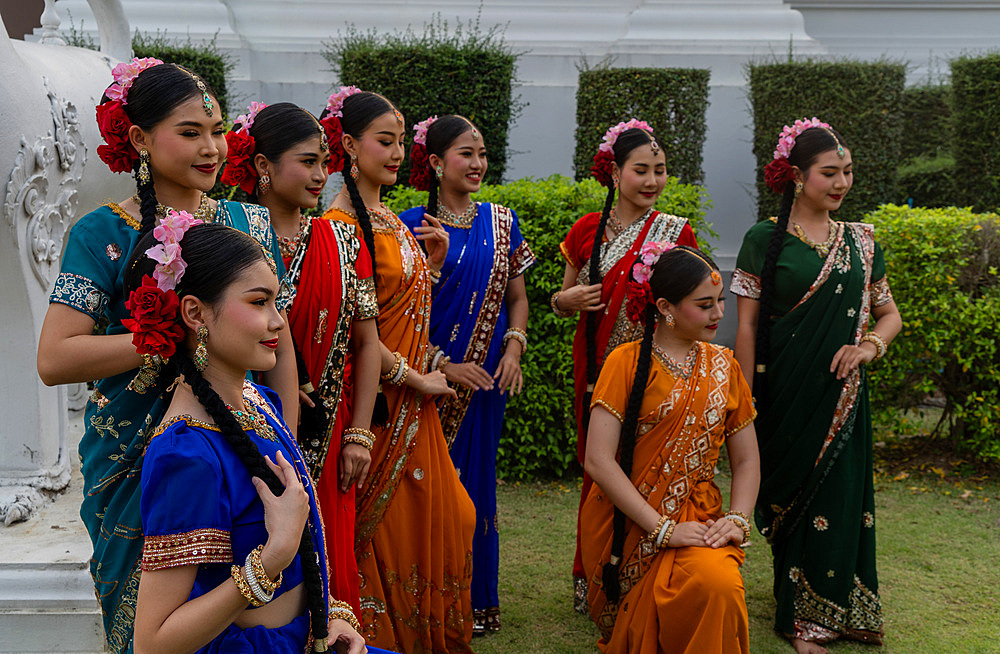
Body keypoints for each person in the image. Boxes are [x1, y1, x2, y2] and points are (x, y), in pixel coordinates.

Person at [36, 60, 295, 653]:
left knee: (259, 620)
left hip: (241, 442)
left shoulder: (246, 223)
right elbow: (54, 357)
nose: (211, 148)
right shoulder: (103, 233)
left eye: (217, 129)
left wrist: (287, 448)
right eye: (190, 131)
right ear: (139, 139)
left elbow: (279, 348)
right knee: (156, 628)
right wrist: (161, 338)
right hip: (139, 460)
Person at [117, 219, 378, 653]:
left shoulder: (258, 402)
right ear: (195, 313)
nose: (278, 322)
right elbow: (152, 643)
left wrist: (331, 615)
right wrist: (271, 560)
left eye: (276, 302)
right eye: (259, 302)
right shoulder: (185, 453)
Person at [732, 119, 902, 653]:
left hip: (844, 397)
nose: (841, 182)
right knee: (791, 497)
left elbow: (889, 314)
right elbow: (747, 327)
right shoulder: (766, 238)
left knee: (841, 494)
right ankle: (800, 611)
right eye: (829, 172)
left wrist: (867, 346)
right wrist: (740, 398)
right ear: (797, 176)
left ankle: (835, 605)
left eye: (847, 172)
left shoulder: (862, 241)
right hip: (783, 392)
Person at [319, 88, 476, 653]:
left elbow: (394, 308)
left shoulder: (387, 215)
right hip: (376, 410)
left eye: (400, 142)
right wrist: (417, 377)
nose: (396, 153)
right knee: (389, 533)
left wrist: (429, 271)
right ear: (349, 146)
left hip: (412, 408)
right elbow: (355, 333)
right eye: (383, 142)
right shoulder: (339, 225)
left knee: (454, 516)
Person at [221, 101, 381, 615]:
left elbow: (367, 342)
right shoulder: (230, 238)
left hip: (326, 438)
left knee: (328, 570)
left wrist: (359, 433)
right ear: (263, 167)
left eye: (324, 161)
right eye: (307, 161)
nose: (320, 174)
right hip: (238, 428)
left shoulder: (341, 238)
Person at [581, 242, 759, 654]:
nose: (719, 314)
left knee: (720, 586)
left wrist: (737, 519)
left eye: (720, 302)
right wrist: (663, 529)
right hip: (628, 525)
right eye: (705, 304)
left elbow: (747, 458)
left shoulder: (724, 365)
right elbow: (598, 459)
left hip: (699, 519)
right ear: (664, 306)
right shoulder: (625, 363)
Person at [398, 114, 535, 635]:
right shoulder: (411, 225)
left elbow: (518, 298)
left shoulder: (503, 221)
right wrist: (443, 365)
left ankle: (477, 603)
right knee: (430, 490)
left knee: (477, 488)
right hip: (431, 385)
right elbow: (400, 317)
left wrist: (514, 350)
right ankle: (431, 599)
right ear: (435, 163)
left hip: (486, 386)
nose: (477, 163)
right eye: (465, 153)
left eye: (481, 154)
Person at [556, 120, 699, 609]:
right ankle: (591, 573)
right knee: (599, 467)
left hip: (655, 364)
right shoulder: (585, 231)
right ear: (615, 172)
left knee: (651, 466)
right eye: (642, 169)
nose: (653, 180)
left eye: (660, 170)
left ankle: (644, 569)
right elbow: (561, 295)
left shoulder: (676, 232)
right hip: (598, 366)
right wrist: (566, 300)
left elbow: (691, 302)